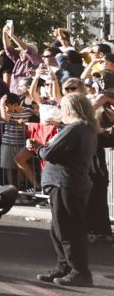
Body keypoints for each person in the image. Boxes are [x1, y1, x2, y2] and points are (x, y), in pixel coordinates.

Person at [37, 92, 98, 286]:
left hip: (67, 183)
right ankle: (64, 266)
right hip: (64, 183)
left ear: (70, 109)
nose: (60, 111)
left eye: (62, 107)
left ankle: (80, 271)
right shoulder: (81, 128)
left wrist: (37, 148)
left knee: (69, 230)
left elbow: (50, 152)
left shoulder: (77, 129)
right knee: (59, 229)